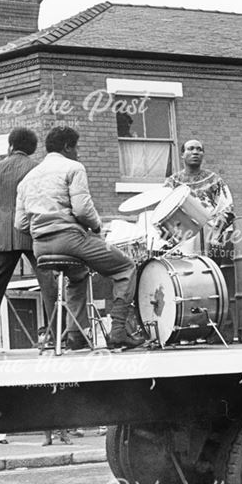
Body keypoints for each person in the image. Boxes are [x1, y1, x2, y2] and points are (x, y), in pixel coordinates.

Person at [15, 126, 147, 350]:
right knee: (125, 267)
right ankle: (118, 331)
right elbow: (83, 210)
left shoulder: (26, 179)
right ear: (67, 147)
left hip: (40, 247)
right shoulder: (74, 167)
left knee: (77, 275)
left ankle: (75, 336)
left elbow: (20, 224)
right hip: (70, 240)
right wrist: (96, 227)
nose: (78, 152)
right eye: (76, 147)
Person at [0, 128, 56, 354]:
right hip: (32, 232)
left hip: (4, 233)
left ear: (11, 145)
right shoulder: (37, 168)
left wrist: (3, 222)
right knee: (48, 281)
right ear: (32, 148)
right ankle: (59, 335)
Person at [163, 139, 234, 247]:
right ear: (182, 154)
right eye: (190, 149)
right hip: (180, 241)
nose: (195, 152)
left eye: (199, 149)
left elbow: (228, 209)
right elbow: (163, 212)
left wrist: (215, 233)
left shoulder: (214, 180)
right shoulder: (172, 182)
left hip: (209, 239)